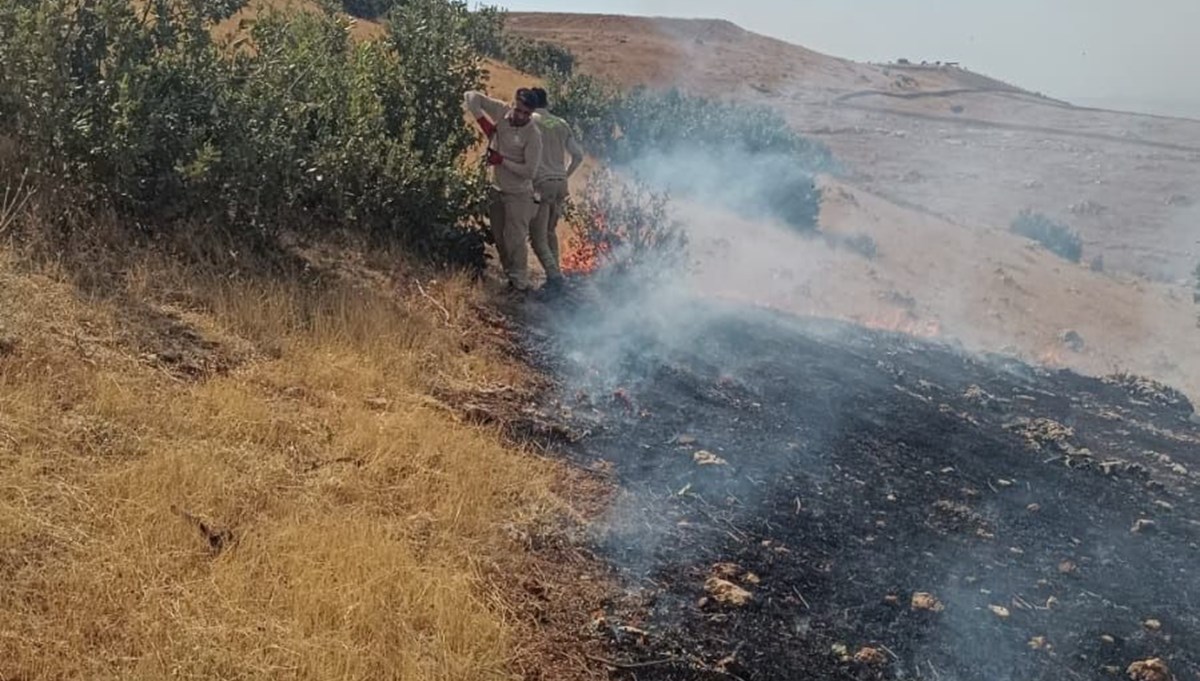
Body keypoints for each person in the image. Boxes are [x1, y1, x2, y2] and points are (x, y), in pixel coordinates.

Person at [463, 87, 543, 292]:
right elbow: (471, 97)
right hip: (496, 188)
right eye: (519, 110)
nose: (521, 116)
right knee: (499, 237)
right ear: (513, 104)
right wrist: (487, 126)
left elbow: (529, 172)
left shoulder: (533, 135)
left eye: (526, 113)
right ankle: (510, 277)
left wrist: (502, 160)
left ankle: (520, 284)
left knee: (515, 239)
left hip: (519, 194)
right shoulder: (501, 110)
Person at [528, 86, 584, 292]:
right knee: (550, 231)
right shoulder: (560, 123)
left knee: (537, 237)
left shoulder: (530, 120)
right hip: (560, 184)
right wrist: (564, 175)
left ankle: (555, 278)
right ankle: (556, 271)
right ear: (546, 102)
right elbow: (578, 155)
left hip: (540, 185)